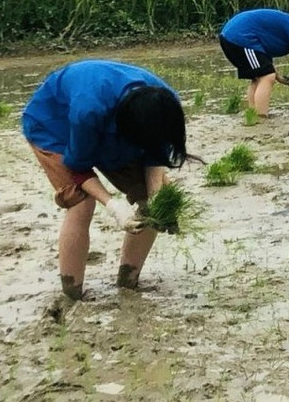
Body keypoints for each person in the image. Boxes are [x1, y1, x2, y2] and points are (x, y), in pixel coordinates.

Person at [22, 60, 195, 301]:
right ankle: (72, 295)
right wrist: (113, 206)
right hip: (53, 125)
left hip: (120, 125)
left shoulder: (164, 105)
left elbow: (155, 153)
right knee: (80, 203)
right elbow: (79, 168)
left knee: (149, 203)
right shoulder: (88, 110)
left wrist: (156, 195)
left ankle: (128, 283)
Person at [219, 6, 289, 117]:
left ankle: (253, 116)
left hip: (231, 35)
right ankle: (262, 118)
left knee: (259, 78)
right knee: (266, 76)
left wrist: (281, 79)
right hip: (239, 37)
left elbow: (264, 59)